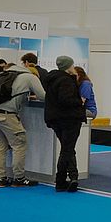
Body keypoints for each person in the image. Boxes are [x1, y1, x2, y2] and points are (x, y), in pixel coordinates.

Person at [0, 61, 45, 187]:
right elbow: (43, 96)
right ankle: (19, 178)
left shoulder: (3, 74)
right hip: (7, 115)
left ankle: (1, 178)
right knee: (19, 144)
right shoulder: (30, 77)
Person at [44, 56, 86, 192]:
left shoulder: (52, 79)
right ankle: (61, 180)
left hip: (55, 119)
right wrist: (80, 101)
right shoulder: (66, 80)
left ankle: (71, 177)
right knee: (67, 150)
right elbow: (65, 99)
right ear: (69, 66)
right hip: (69, 119)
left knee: (67, 149)